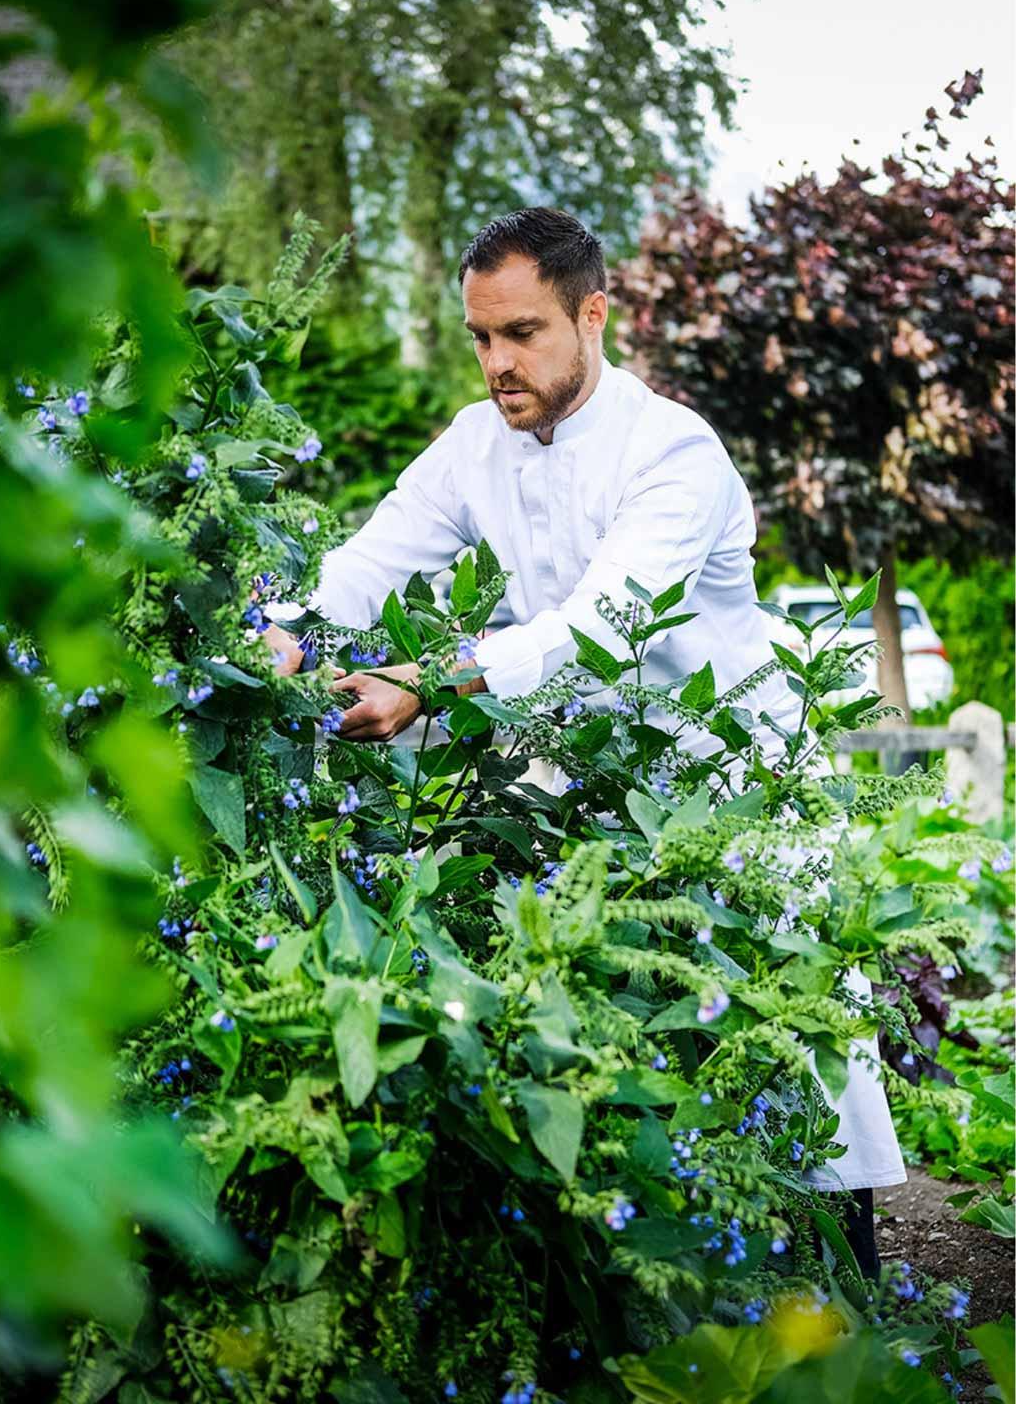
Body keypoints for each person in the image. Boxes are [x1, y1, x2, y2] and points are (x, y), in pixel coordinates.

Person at [263, 206, 905, 1265]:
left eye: (521, 333)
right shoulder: (477, 443)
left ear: (592, 314)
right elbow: (368, 563)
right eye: (479, 337)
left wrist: (429, 678)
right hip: (593, 775)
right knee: (627, 1035)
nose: (496, 363)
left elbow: (600, 630)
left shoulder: (673, 454)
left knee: (796, 1044)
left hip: (729, 773)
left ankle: (858, 1300)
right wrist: (285, 636)